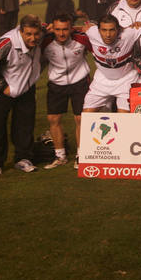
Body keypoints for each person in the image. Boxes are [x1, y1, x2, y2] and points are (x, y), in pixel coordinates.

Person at [0, 14, 43, 176]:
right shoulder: (5, 44)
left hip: (27, 89)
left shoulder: (41, 37)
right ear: (20, 31)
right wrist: (4, 88)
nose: (33, 38)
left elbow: (59, 30)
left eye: (36, 34)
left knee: (25, 125)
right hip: (3, 91)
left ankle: (23, 158)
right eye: (28, 34)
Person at [40, 13, 90, 169]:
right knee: (54, 120)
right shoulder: (45, 41)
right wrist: (42, 28)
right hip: (56, 84)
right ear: (52, 28)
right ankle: (60, 156)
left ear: (71, 29)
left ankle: (81, 156)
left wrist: (90, 26)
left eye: (65, 29)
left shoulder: (81, 38)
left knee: (81, 119)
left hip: (80, 82)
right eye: (58, 29)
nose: (61, 33)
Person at [76, 15, 141, 113]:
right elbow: (72, 29)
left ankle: (109, 106)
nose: (108, 35)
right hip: (102, 81)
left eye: (112, 30)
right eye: (104, 30)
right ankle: (107, 106)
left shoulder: (129, 34)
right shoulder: (92, 32)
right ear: (98, 30)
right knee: (86, 117)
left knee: (123, 121)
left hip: (126, 81)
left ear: (118, 29)